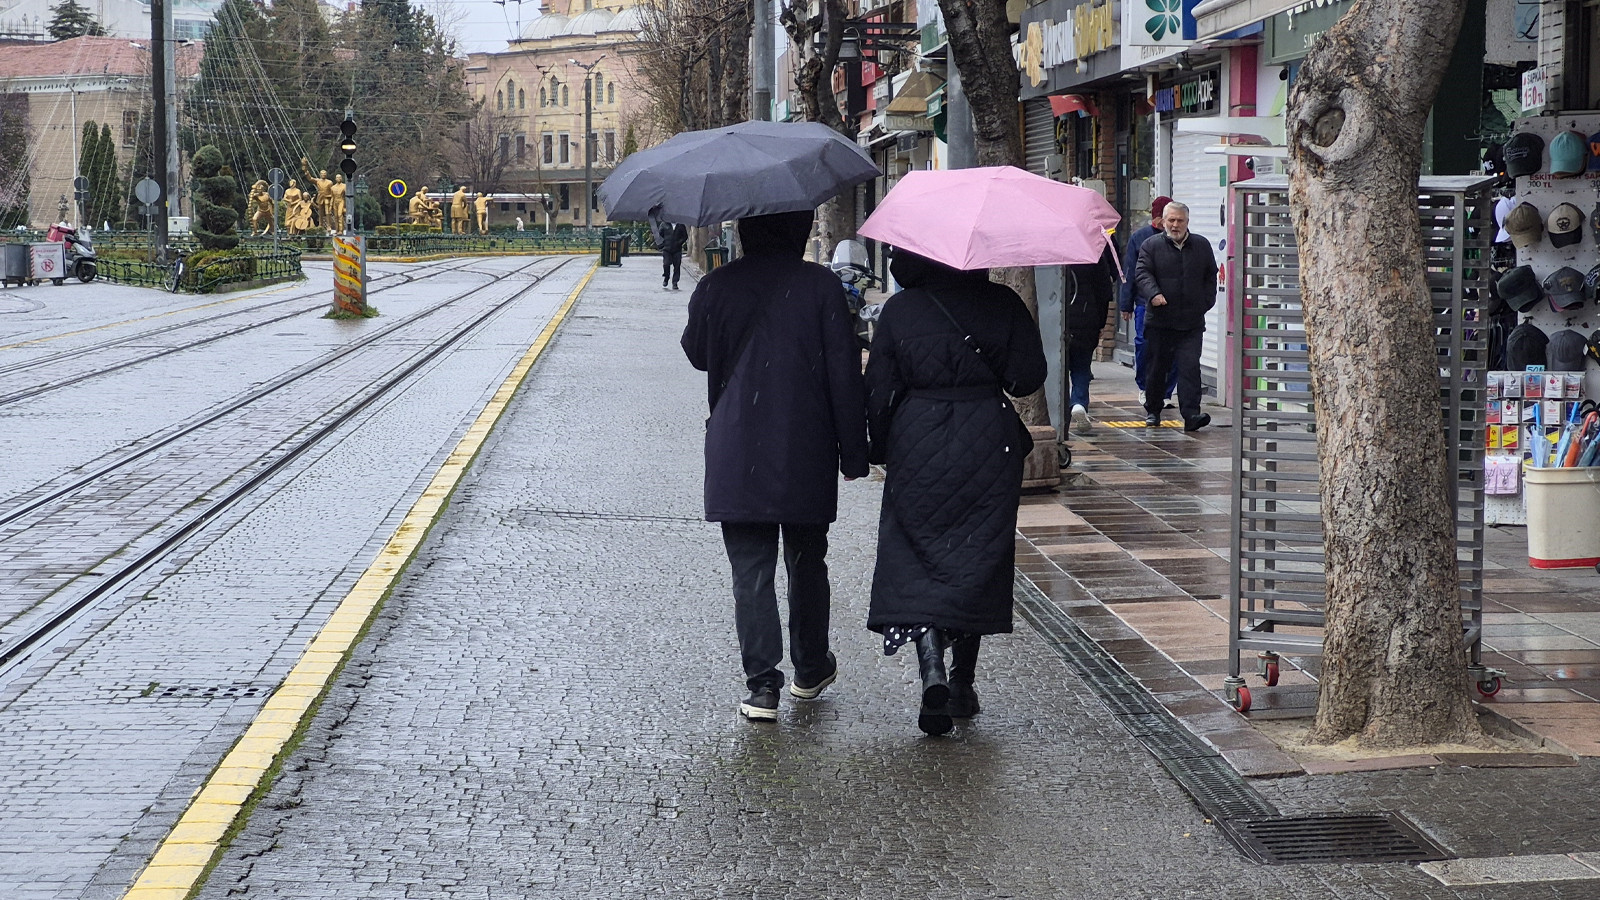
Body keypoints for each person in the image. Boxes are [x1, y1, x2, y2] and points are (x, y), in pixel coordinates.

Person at [680, 209, 869, 722]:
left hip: (737, 444)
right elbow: (844, 376)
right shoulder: (822, 288)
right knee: (808, 561)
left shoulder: (717, 286)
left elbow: (696, 354)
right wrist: (855, 452)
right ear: (801, 228)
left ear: (744, 230)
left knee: (751, 569)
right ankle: (810, 669)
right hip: (804, 445)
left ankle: (762, 686)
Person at [863, 248, 1046, 736]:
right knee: (975, 558)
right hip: (987, 441)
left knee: (918, 556)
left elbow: (877, 390)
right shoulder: (1001, 302)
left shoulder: (901, 310)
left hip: (916, 440)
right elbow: (1028, 378)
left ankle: (932, 672)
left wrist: (880, 448)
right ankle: (963, 685)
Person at [1134, 200, 1218, 432]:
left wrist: (1205, 303)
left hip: (1191, 322)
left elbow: (1211, 276)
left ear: (1187, 222)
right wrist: (1154, 294)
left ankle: (1192, 414)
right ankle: (1153, 410)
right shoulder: (1151, 246)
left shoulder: (1201, 245)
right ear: (1163, 221)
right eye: (1171, 220)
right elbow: (1141, 274)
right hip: (1160, 321)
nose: (1175, 224)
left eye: (1180, 220)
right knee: (1157, 367)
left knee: (1190, 367)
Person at [1119, 195, 1178, 408]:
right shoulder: (1140, 238)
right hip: (1145, 302)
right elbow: (1131, 271)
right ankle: (1145, 387)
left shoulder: (1179, 238)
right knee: (1144, 345)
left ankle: (1166, 392)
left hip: (1173, 304)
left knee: (1172, 349)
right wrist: (1126, 303)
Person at [1064, 244, 1117, 435]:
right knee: (1081, 366)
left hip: (1057, 317)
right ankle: (1078, 402)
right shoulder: (1091, 248)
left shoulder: (1050, 246)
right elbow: (1104, 290)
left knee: (1057, 366)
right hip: (1087, 318)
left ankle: (1060, 408)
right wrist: (1101, 322)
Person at [658, 220, 688, 290]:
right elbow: (660, 235)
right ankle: (666, 277)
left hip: (677, 249)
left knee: (677, 266)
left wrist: (679, 242)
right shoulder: (664, 224)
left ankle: (675, 282)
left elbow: (685, 236)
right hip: (667, 249)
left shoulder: (681, 225)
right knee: (666, 264)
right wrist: (663, 244)